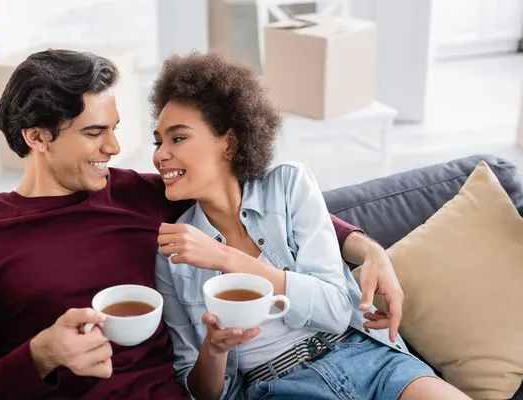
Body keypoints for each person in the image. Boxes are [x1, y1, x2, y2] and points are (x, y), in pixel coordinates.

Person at [0, 49, 400, 399]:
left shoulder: (135, 194)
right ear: (37, 136)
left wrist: (363, 246)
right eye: (95, 132)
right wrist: (39, 357)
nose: (114, 147)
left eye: (114, 128)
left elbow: (238, 194)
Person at [151, 52, 471, 400]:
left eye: (177, 138)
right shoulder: (172, 254)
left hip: (369, 360)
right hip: (276, 387)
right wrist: (213, 350)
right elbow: (204, 391)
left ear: (228, 142)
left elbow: (336, 311)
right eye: (158, 142)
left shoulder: (289, 186)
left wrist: (230, 260)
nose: (160, 154)